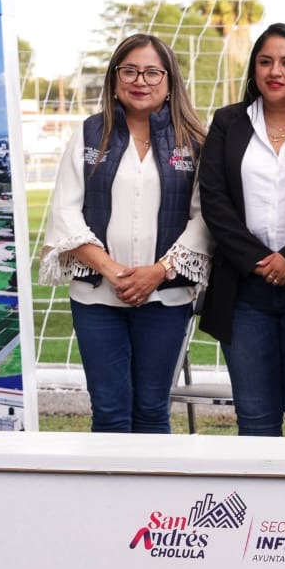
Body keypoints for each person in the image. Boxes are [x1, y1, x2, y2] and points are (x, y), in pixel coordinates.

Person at [40, 33, 211, 433]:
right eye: (129, 71)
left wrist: (159, 271)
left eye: (152, 72)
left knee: (152, 410)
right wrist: (112, 271)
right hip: (97, 297)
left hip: (166, 296)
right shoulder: (89, 134)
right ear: (115, 79)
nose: (140, 81)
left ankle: (155, 480)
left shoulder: (194, 141)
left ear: (169, 81)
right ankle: (110, 479)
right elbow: (65, 211)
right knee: (109, 412)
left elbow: (204, 218)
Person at [197, 23, 285, 437]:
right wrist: (260, 261)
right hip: (244, 290)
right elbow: (214, 201)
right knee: (255, 419)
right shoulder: (228, 122)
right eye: (265, 61)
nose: (275, 71)